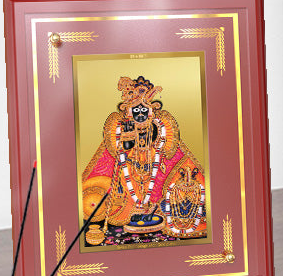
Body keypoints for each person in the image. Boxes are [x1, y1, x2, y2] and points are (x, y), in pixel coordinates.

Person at [80, 75, 206, 242]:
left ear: (151, 111)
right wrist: (125, 140)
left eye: (144, 110)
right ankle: (134, 209)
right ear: (129, 112)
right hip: (130, 166)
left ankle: (148, 209)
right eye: (136, 111)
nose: (140, 114)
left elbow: (165, 148)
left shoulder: (159, 128)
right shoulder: (124, 127)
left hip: (152, 164)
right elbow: (119, 149)